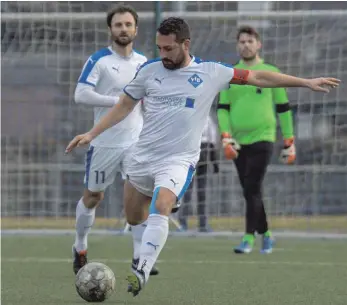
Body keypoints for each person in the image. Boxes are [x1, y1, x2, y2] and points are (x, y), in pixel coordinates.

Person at [65, 17, 339, 296]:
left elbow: (258, 76)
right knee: (135, 217)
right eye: (159, 48)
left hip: (178, 160)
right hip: (142, 157)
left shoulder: (211, 72)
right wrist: (92, 133)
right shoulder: (149, 71)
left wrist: (305, 82)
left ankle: (142, 269)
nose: (163, 54)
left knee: (162, 204)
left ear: (185, 44)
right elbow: (124, 104)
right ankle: (138, 244)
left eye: (169, 48)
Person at [72, 5, 158, 276]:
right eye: (118, 25)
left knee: (138, 198)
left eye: (128, 24)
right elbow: (81, 95)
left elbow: (148, 101)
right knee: (93, 197)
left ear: (136, 29)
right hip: (104, 143)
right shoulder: (99, 60)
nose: (123, 29)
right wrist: (119, 101)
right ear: (110, 29)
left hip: (136, 142)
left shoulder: (144, 63)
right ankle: (80, 245)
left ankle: (138, 257)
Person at [217, 26, 295, 254]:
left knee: (252, 186)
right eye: (241, 41)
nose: (246, 45)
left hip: (264, 138)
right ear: (237, 45)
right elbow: (222, 109)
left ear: (258, 44)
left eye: (250, 41)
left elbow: (283, 108)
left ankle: (248, 238)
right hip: (237, 142)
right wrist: (226, 137)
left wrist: (289, 140)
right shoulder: (230, 74)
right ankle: (267, 234)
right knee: (250, 190)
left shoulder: (270, 71)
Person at [178, 114, 219, 232]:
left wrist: (214, 163)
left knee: (202, 193)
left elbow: (212, 144)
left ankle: (203, 224)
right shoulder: (189, 116)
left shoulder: (208, 119)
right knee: (187, 192)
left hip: (203, 158)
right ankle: (183, 223)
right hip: (190, 156)